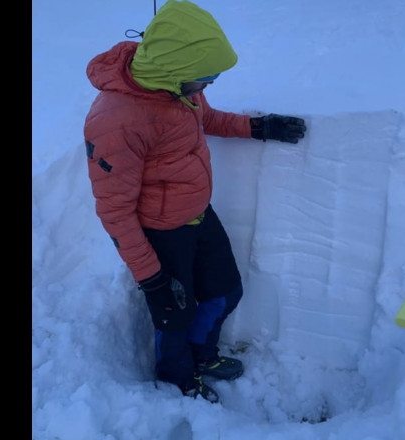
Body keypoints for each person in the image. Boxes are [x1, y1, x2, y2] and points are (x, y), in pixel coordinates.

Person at [83, 0, 307, 403]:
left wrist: (258, 127)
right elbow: (114, 210)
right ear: (174, 73)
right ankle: (176, 380)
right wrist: (152, 280)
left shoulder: (177, 88)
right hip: (159, 233)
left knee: (227, 292)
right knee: (173, 314)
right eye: (202, 80)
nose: (205, 89)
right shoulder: (116, 120)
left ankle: (203, 356)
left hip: (199, 215)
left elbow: (208, 118)